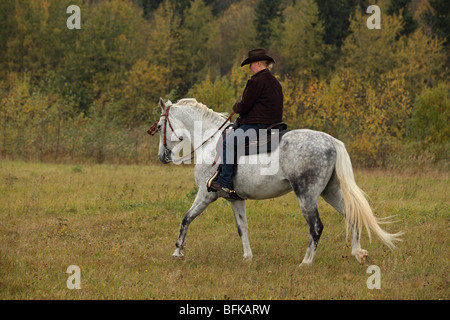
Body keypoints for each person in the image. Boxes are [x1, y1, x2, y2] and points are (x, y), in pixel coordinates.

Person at [207, 48, 284, 198]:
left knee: (228, 143)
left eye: (250, 64)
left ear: (258, 63)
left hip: (258, 125)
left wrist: (236, 107)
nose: (250, 68)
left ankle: (225, 181)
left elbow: (245, 105)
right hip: (274, 124)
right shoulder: (275, 82)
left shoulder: (256, 81)